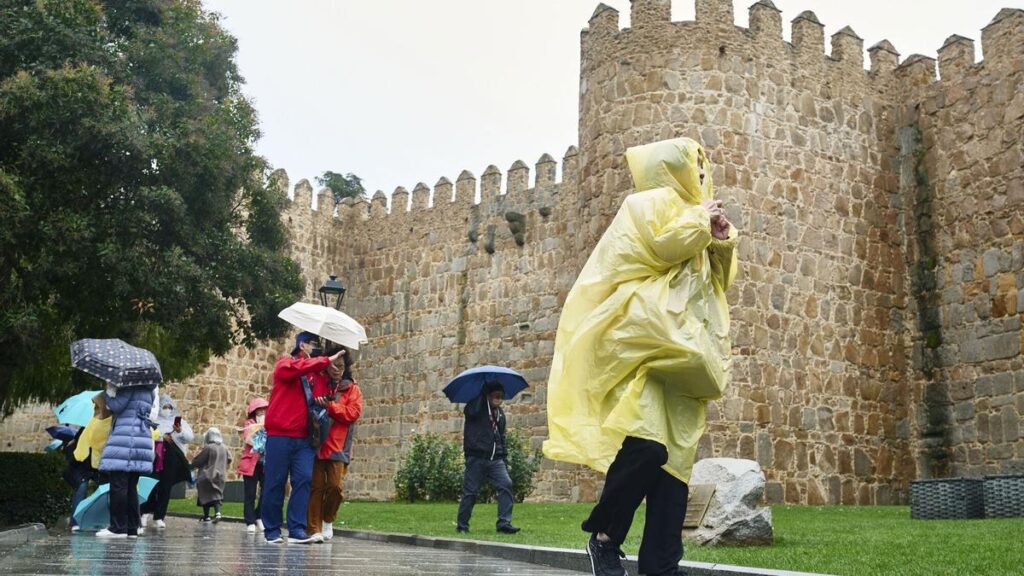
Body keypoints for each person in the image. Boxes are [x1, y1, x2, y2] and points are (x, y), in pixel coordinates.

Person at [543, 138, 738, 576]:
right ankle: (605, 536)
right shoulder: (645, 204)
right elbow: (655, 248)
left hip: (688, 357)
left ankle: (660, 568)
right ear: (674, 168)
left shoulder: (699, 215)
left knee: (674, 477)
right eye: (697, 165)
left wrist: (722, 242)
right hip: (650, 348)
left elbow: (718, 283)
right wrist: (698, 224)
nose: (704, 174)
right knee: (648, 448)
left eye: (705, 167)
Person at [261, 331, 345, 544]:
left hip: (305, 437)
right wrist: (324, 360)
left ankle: (297, 528)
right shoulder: (286, 363)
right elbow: (298, 369)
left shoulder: (318, 374)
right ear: (301, 345)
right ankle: (271, 530)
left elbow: (324, 395)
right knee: (275, 482)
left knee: (304, 480)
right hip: (280, 434)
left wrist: (332, 380)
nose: (316, 347)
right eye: (312, 344)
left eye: (318, 344)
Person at [307, 346, 363, 541]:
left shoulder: (352, 389)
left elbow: (352, 413)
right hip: (317, 443)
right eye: (332, 365)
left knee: (335, 487)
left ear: (345, 367)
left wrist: (330, 406)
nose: (336, 369)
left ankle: (328, 519)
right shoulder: (319, 383)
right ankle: (313, 528)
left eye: (340, 366)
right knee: (315, 488)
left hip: (338, 445)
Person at [456, 382, 520, 535]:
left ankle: (504, 523)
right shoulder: (475, 408)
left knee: (506, 484)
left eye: (501, 396)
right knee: (470, 492)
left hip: (495, 459)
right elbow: (470, 412)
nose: (499, 399)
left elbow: (501, 437)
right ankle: (462, 525)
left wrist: (504, 458)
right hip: (476, 457)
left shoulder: (500, 414)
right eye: (495, 396)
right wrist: (482, 393)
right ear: (488, 396)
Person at [96, 383, 157, 539]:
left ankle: (118, 528)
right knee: (131, 487)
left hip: (125, 439)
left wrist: (109, 393)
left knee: (118, 485)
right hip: (140, 440)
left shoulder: (130, 386)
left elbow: (117, 406)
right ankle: (132, 527)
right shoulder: (149, 391)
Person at [141, 394, 194, 530]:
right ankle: (144, 512)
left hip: (172, 459)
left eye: (169, 407)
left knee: (166, 487)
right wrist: (161, 436)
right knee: (151, 485)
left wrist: (180, 431)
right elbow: (148, 433)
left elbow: (190, 437)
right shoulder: (154, 420)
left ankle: (159, 516)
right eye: (164, 407)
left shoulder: (181, 422)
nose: (167, 409)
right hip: (155, 457)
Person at [70, 393, 113, 532]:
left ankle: (97, 521)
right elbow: (80, 440)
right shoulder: (89, 420)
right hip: (85, 463)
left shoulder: (108, 420)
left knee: (101, 492)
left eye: (95, 403)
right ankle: (75, 521)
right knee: (81, 488)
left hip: (100, 462)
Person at [239, 397, 269, 533]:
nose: (262, 413)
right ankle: (249, 520)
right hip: (251, 464)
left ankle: (259, 516)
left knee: (266, 492)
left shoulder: (270, 423)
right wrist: (260, 433)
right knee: (250, 493)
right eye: (259, 411)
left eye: (264, 410)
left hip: (265, 464)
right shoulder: (249, 423)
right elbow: (249, 439)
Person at [190, 427, 231, 522]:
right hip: (220, 475)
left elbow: (199, 460)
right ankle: (218, 513)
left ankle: (207, 516)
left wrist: (192, 465)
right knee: (217, 494)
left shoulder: (209, 447)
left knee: (205, 495)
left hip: (207, 475)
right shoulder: (224, 447)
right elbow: (229, 458)